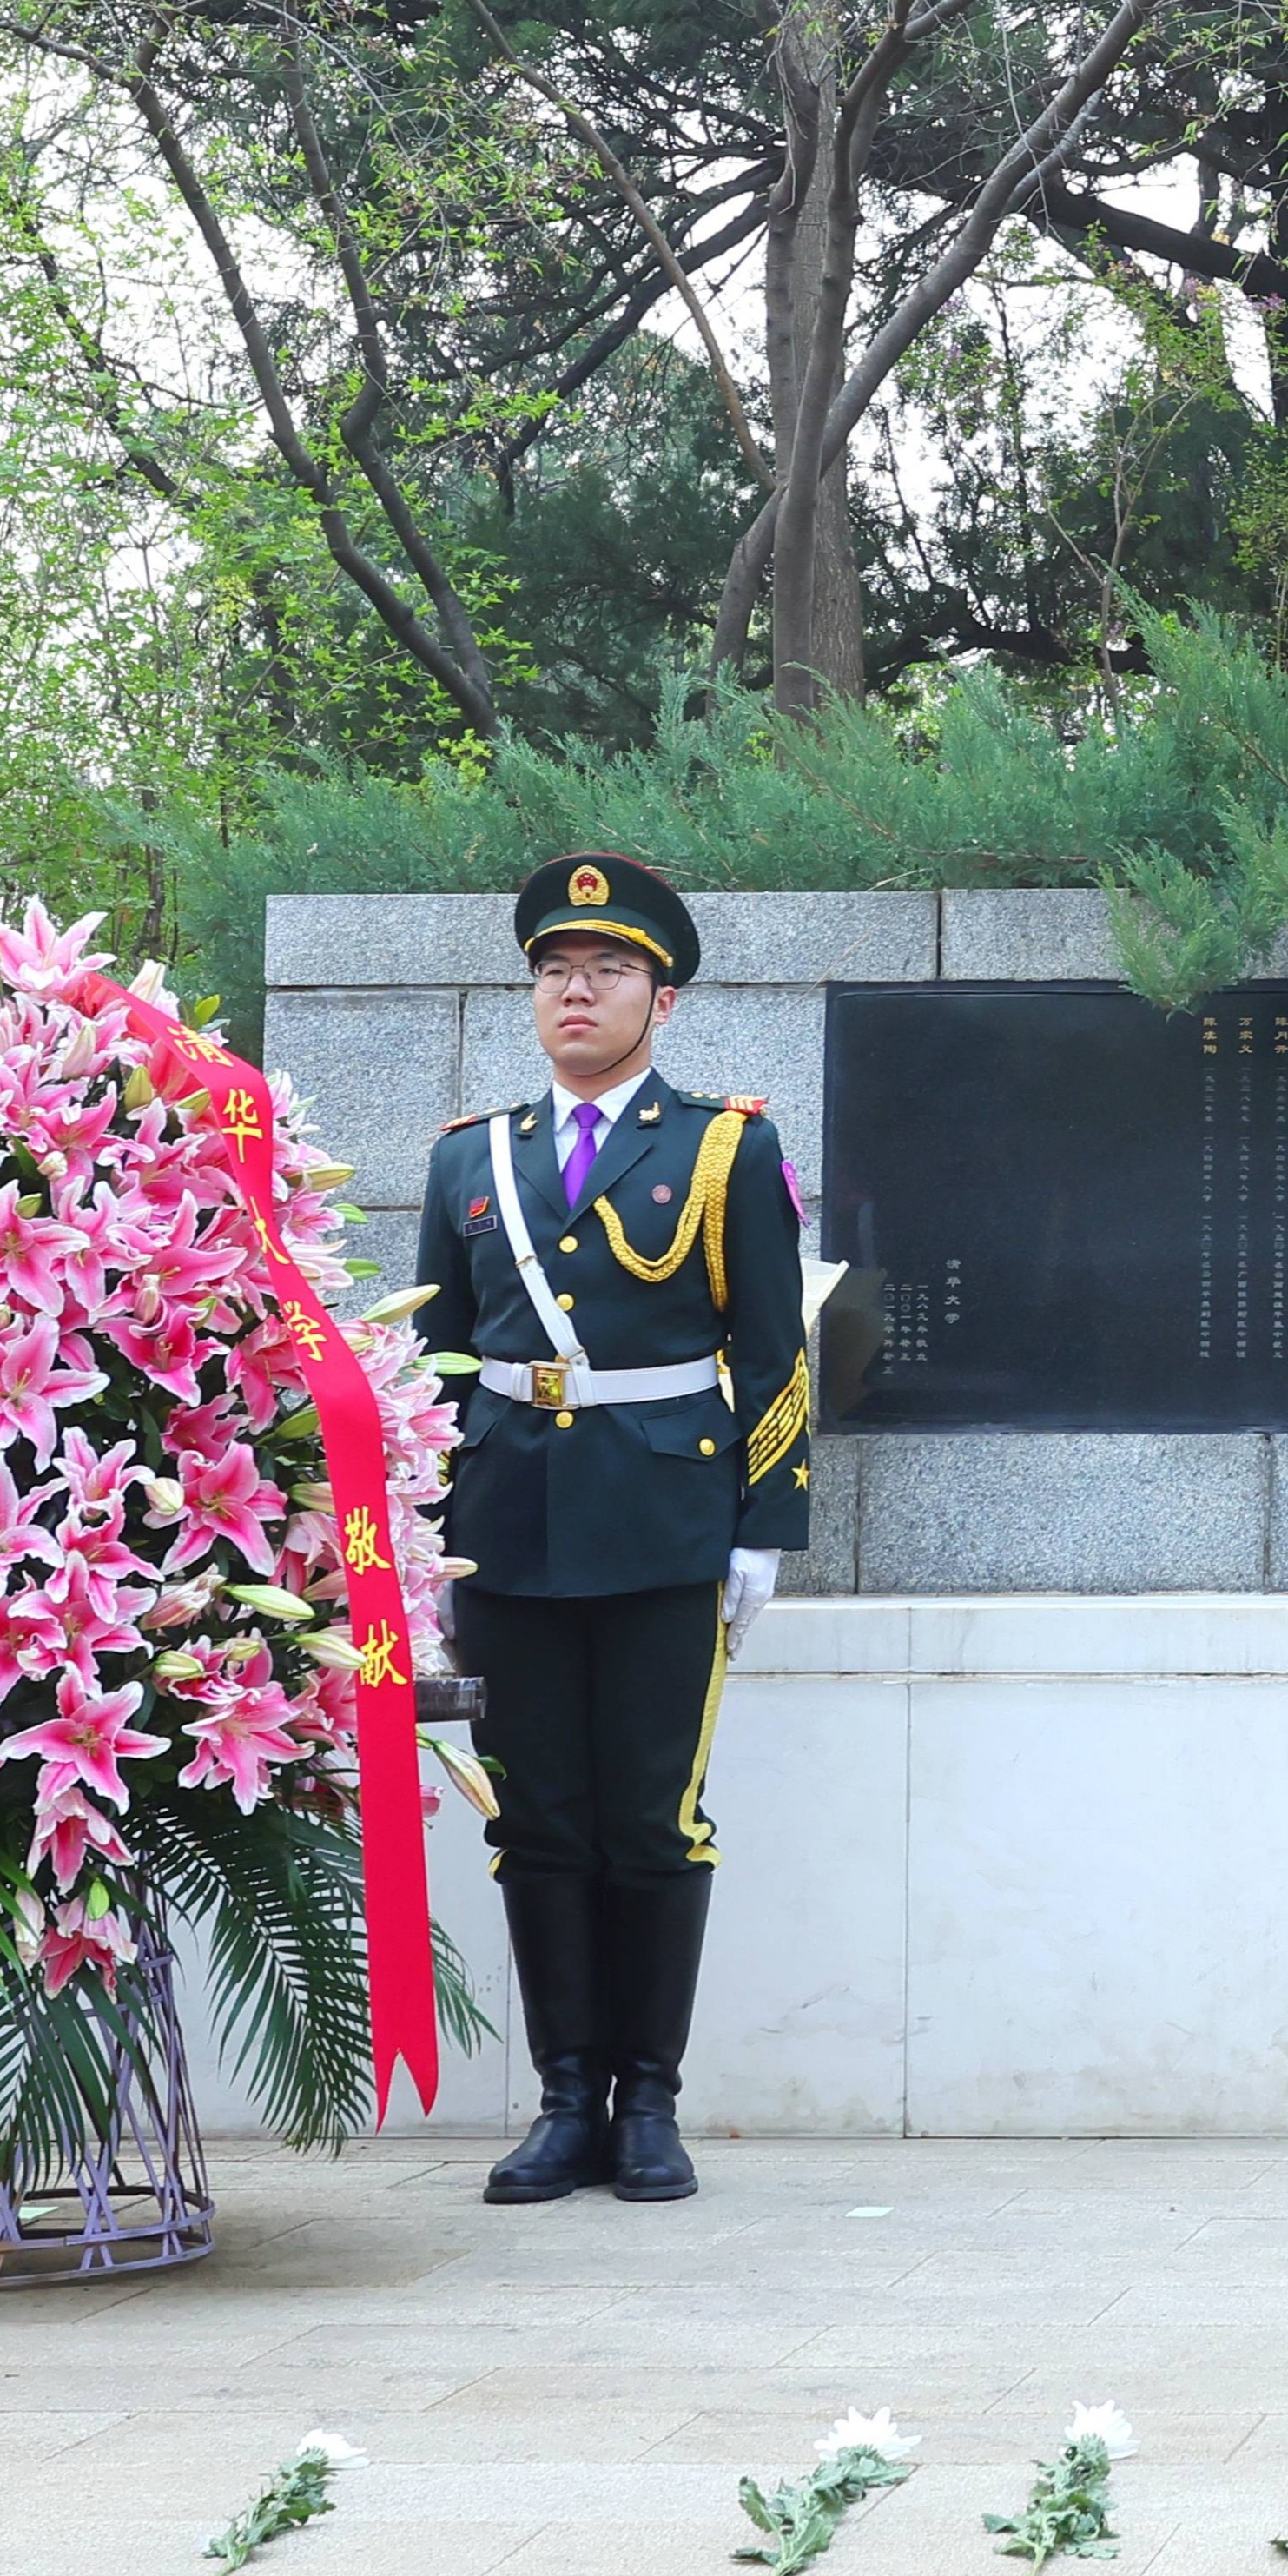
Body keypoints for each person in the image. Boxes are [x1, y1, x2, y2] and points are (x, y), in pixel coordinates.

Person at [413, 853, 808, 2205]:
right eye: (554, 970)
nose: (576, 991)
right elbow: (435, 1371)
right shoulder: (471, 1158)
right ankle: (564, 2097)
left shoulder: (721, 1147)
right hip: (506, 1528)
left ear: (665, 999)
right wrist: (422, 1544)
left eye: (609, 969)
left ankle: (650, 2099)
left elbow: (773, 1351)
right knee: (536, 1820)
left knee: (653, 1817)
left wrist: (766, 1528)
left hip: (662, 1519)